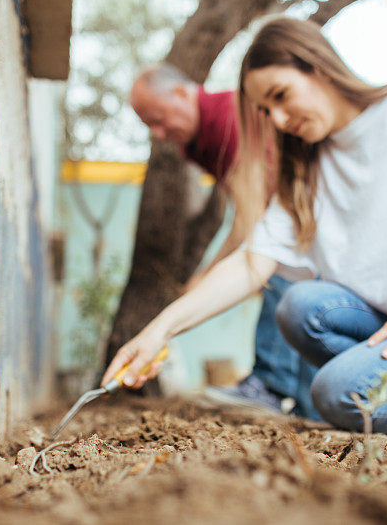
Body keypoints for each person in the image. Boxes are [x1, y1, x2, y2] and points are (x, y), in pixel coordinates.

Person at [105, 17, 387, 437]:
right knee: (300, 307)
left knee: (336, 392)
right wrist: (158, 332)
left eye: (281, 96)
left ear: (317, 67)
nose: (278, 120)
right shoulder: (306, 168)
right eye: (266, 110)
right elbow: (251, 264)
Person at [129, 64, 317, 416]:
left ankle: (271, 384)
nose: (158, 133)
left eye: (159, 118)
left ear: (183, 94)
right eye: (149, 126)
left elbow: (261, 223)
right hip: (285, 225)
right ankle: (306, 401)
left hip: (302, 221)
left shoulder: (228, 119)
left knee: (280, 272)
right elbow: (248, 217)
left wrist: (211, 272)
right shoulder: (201, 143)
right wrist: (209, 274)